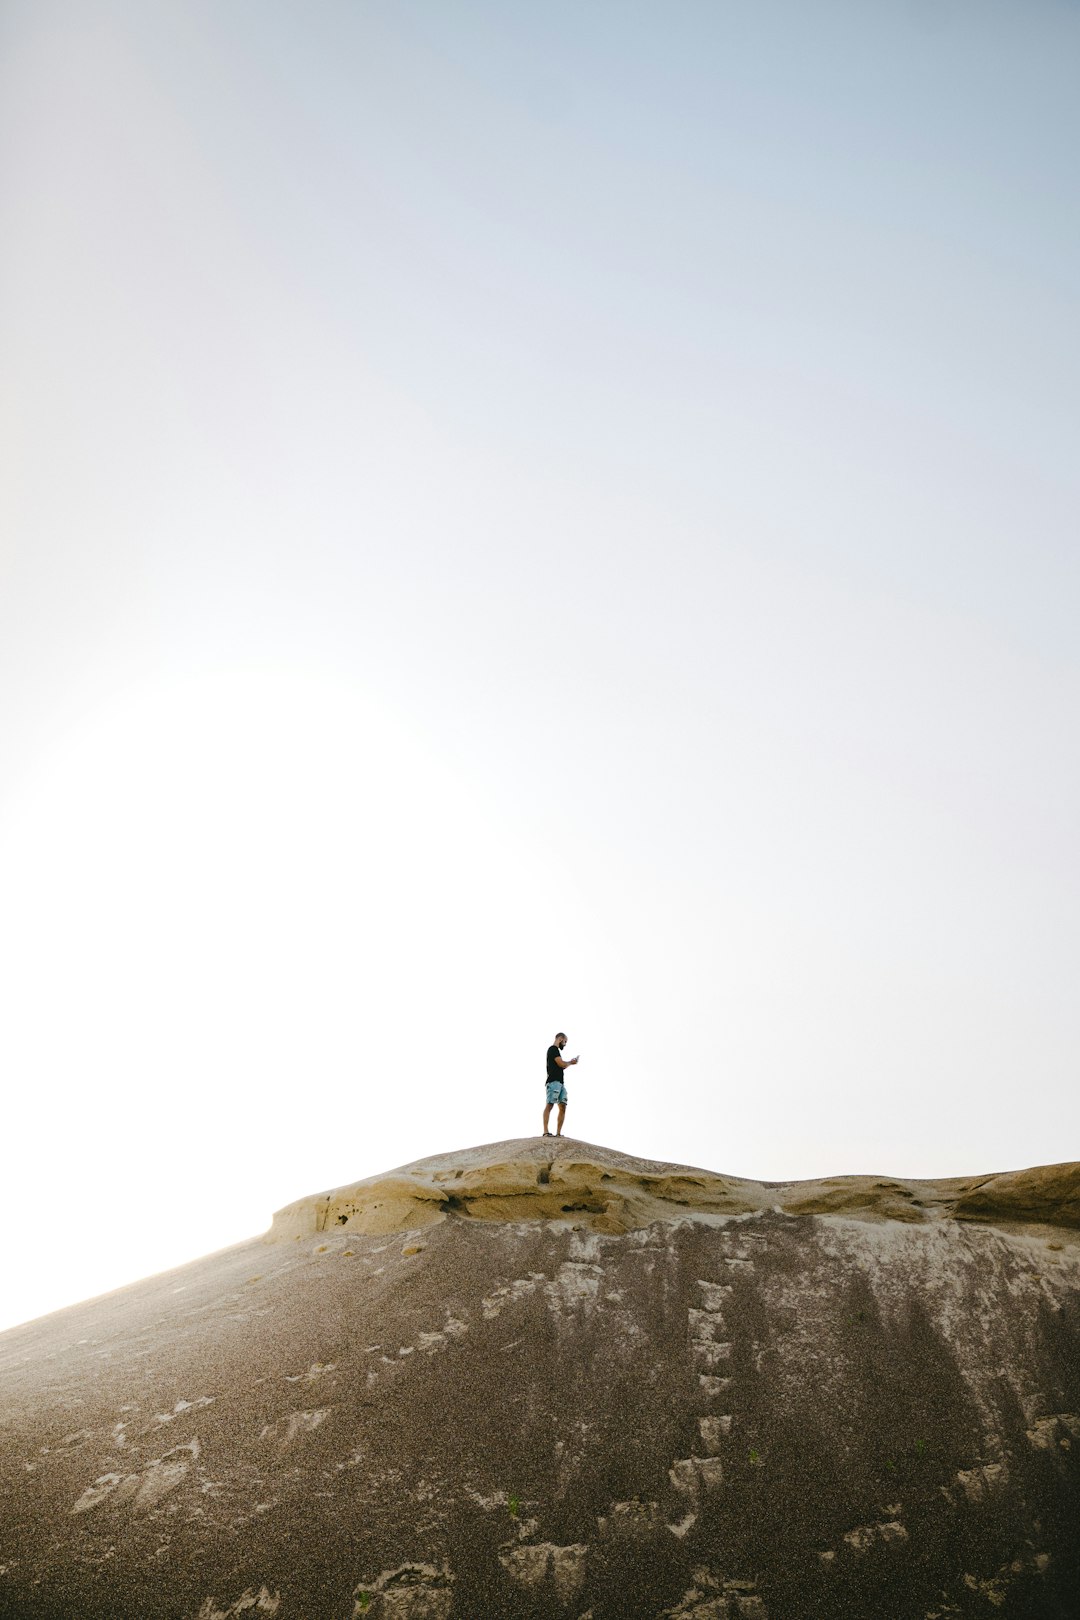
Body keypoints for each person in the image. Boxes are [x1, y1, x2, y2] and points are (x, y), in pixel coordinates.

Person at [543, 1032, 578, 1137]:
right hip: (553, 1082)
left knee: (563, 1106)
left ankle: (558, 1133)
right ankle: (545, 1131)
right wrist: (570, 1063)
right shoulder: (553, 1049)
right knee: (550, 1104)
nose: (565, 1044)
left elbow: (562, 1065)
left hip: (561, 1083)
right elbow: (561, 1064)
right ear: (560, 1039)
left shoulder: (556, 1051)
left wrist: (569, 1063)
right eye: (565, 1041)